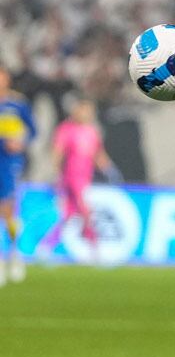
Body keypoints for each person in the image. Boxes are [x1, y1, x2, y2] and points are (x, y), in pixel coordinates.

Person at [37, 99, 119, 258]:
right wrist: (56, 173)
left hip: (85, 178)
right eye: (85, 110)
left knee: (69, 215)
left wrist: (110, 169)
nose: (88, 114)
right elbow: (57, 153)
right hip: (71, 178)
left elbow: (98, 155)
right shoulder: (66, 129)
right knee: (85, 211)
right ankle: (95, 248)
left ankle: (47, 245)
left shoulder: (91, 132)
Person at [0, 66, 36, 286]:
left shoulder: (16, 104)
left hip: (9, 163)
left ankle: (14, 255)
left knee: (8, 209)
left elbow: (33, 130)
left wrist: (19, 142)